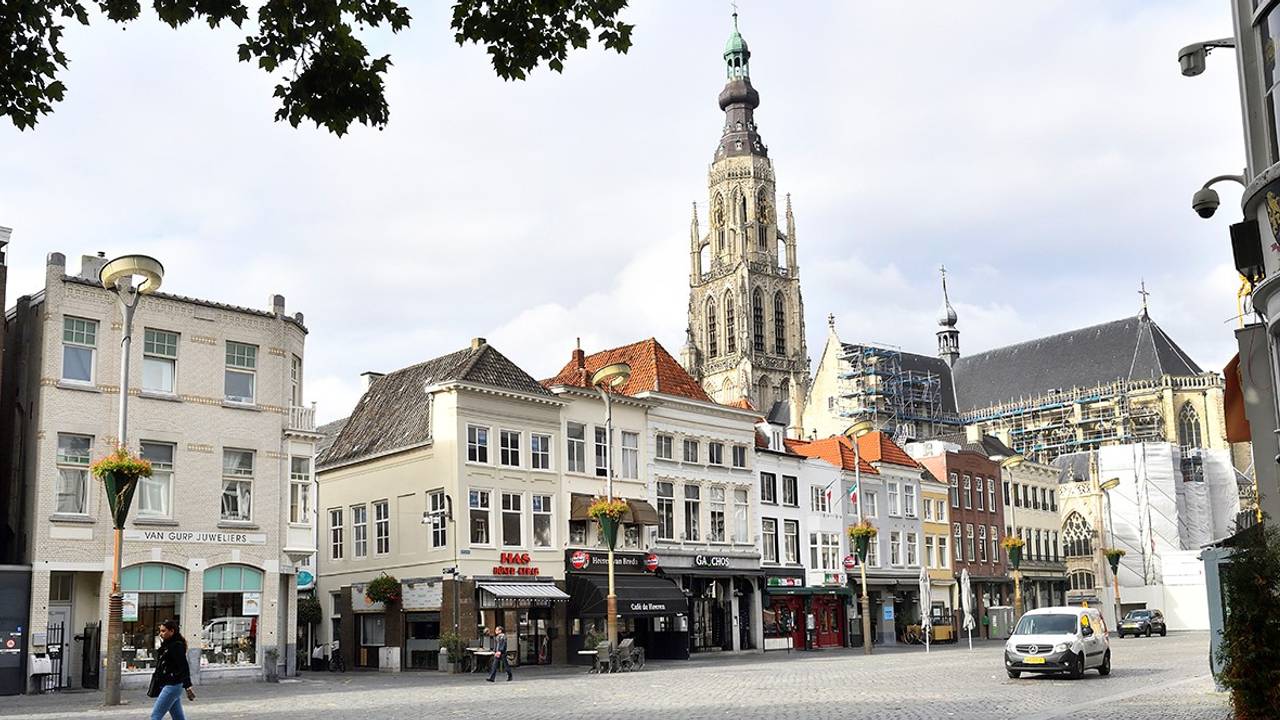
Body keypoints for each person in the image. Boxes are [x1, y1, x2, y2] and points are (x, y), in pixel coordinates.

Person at [148, 619, 194, 720]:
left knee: (155, 716)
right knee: (178, 717)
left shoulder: (176, 646)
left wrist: (188, 686)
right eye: (160, 631)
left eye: (163, 631)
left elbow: (183, 666)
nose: (161, 634)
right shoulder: (166, 645)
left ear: (172, 631)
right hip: (167, 684)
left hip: (172, 685)